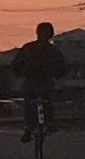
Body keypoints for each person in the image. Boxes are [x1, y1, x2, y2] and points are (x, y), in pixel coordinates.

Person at [13, 21, 68, 151]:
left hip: (30, 79)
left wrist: (18, 73)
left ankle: (28, 127)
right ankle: (50, 123)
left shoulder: (28, 48)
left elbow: (16, 63)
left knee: (29, 102)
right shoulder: (54, 50)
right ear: (51, 34)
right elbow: (61, 67)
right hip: (45, 80)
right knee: (48, 100)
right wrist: (58, 75)